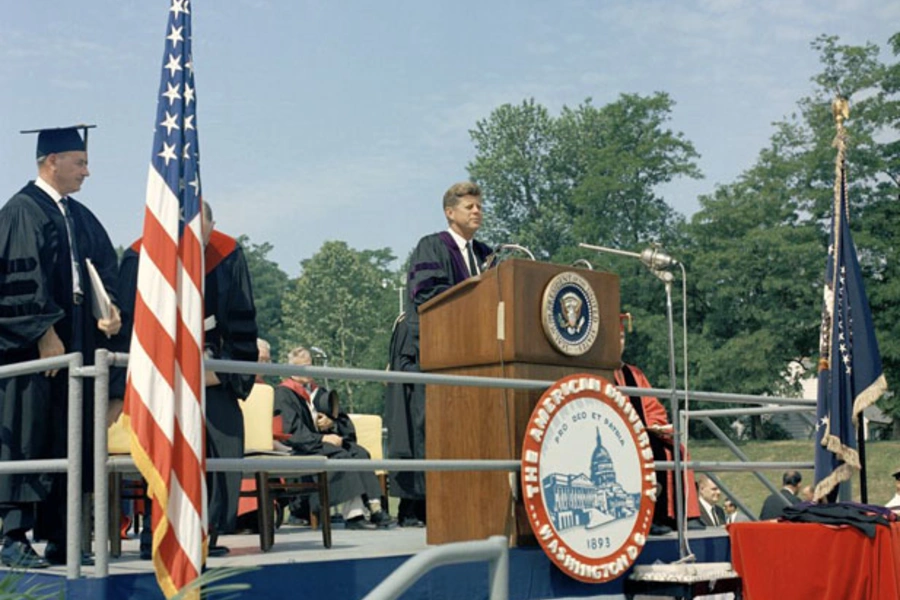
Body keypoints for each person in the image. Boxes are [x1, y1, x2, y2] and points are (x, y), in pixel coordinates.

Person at [0, 125, 122, 568]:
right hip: (35, 350)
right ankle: (12, 538)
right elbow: (20, 280)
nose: (87, 172)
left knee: (69, 438)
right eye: (80, 162)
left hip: (77, 343)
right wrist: (43, 334)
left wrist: (111, 311)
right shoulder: (21, 210)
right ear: (52, 162)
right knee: (30, 437)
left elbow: (104, 272)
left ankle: (61, 536)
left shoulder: (79, 215)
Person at [111, 201, 258, 558]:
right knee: (161, 447)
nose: (200, 243)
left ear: (212, 225)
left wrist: (222, 370)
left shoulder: (227, 253)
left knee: (223, 439)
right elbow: (130, 327)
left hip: (212, 371)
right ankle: (155, 536)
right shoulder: (140, 254)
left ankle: (206, 533)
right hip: (159, 374)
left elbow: (242, 321)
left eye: (204, 233)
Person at [385, 181, 491, 527]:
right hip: (425, 347)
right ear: (450, 212)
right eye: (469, 206)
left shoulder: (485, 254)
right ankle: (414, 507)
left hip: (466, 354)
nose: (476, 210)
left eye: (479, 206)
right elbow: (427, 293)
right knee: (422, 426)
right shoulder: (432, 246)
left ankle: (456, 497)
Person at [276, 347, 394, 530]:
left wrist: (331, 424)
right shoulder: (284, 394)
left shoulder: (319, 392)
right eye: (303, 367)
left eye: (310, 365)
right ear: (292, 369)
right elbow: (291, 431)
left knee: (359, 452)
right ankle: (354, 515)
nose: (309, 370)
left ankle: (375, 507)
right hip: (303, 446)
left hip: (324, 442)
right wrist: (322, 439)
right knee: (342, 456)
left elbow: (342, 421)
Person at [613, 313, 703, 534]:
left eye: (623, 337)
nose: (620, 343)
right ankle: (649, 517)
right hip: (618, 436)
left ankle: (682, 516)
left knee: (675, 451)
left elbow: (653, 408)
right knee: (645, 453)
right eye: (615, 338)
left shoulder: (634, 373)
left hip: (643, 433)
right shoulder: (598, 372)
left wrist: (655, 425)